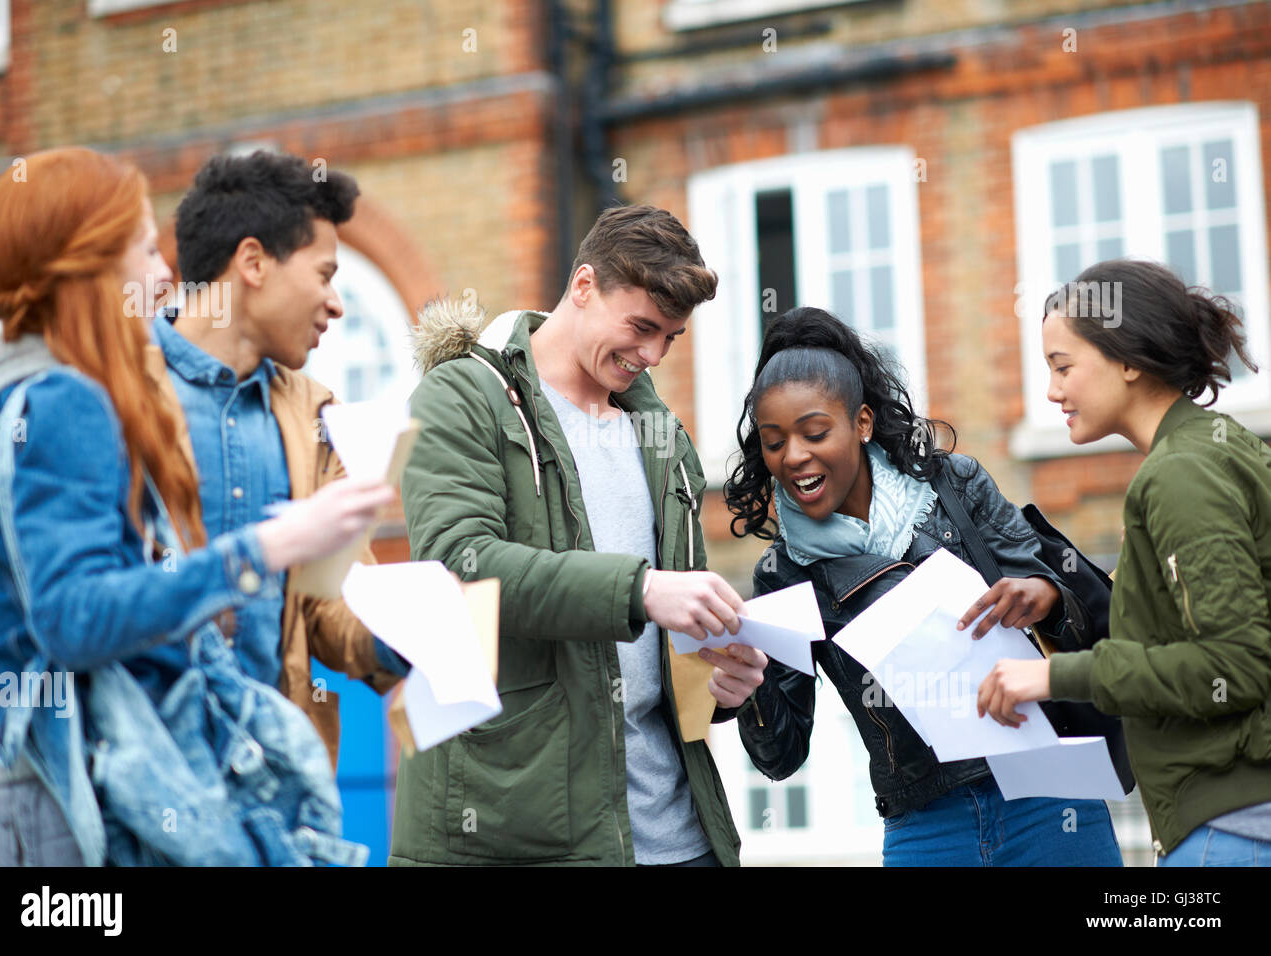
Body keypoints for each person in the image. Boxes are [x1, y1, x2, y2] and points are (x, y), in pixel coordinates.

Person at [0, 147, 394, 865]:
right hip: (75, 787)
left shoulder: (9, 396)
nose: (163, 275)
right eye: (142, 249)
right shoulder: (79, 397)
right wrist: (262, 552)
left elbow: (328, 602)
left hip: (187, 780)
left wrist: (413, 638)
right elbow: (75, 614)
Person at [390, 204, 767, 866]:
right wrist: (642, 590)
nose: (651, 355)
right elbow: (459, 568)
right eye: (642, 327)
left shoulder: (663, 439)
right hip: (524, 833)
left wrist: (717, 687)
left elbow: (675, 666)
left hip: (679, 837)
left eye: (670, 339)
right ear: (585, 286)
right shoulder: (461, 399)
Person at [726, 306, 1123, 866]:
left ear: (862, 423)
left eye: (815, 433)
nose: (794, 456)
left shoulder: (955, 488)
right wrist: (749, 680)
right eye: (773, 442)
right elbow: (781, 757)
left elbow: (1071, 600)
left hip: (1048, 800)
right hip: (926, 828)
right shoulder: (784, 573)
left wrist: (1045, 596)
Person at [978, 258, 1271, 866]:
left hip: (1232, 827)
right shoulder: (1211, 448)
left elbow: (1234, 664)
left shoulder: (1181, 473)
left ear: (1130, 360)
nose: (1053, 391)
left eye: (1063, 367)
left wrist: (1053, 676)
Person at [148, 150, 409, 766]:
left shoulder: (318, 416)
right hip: (154, 772)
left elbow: (328, 604)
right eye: (324, 274)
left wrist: (407, 633)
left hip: (280, 781)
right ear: (254, 262)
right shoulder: (112, 396)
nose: (338, 303)